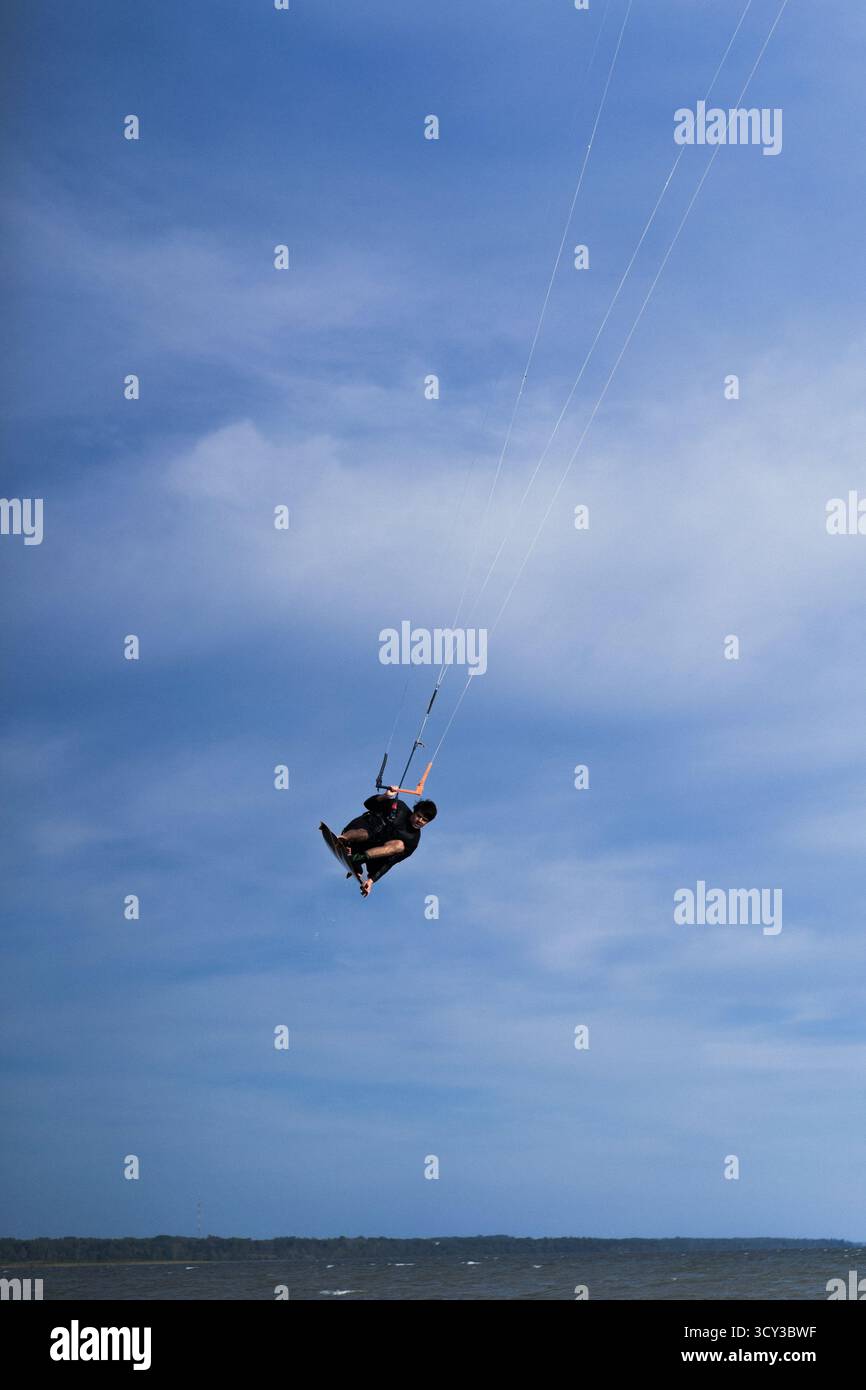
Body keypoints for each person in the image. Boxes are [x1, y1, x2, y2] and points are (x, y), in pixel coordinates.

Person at [339, 786, 437, 896]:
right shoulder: (399, 807)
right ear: (414, 812)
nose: (420, 821)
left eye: (424, 820)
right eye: (419, 816)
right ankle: (343, 840)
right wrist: (384, 796)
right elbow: (368, 804)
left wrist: (371, 880)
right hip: (357, 833)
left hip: (368, 853)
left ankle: (356, 859)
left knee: (399, 846)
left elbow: (390, 863)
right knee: (369, 831)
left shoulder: (413, 841)